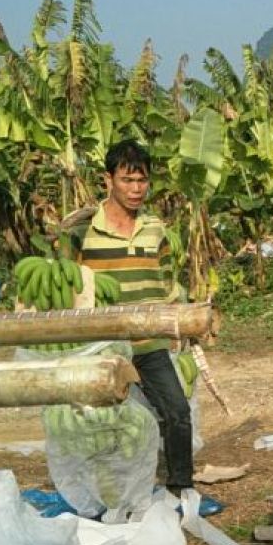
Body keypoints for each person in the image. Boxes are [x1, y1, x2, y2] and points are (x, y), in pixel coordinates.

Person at [66, 139, 219, 512]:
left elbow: (166, 282)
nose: (136, 189)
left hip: (149, 341)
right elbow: (69, 286)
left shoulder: (155, 228)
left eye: (142, 181)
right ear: (108, 180)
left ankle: (180, 486)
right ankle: (107, 495)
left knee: (177, 413)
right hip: (102, 343)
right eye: (127, 180)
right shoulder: (81, 231)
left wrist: (176, 326)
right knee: (103, 424)